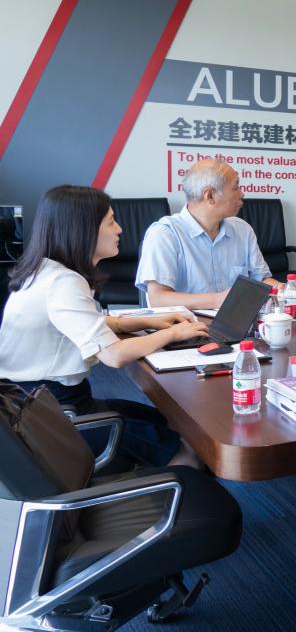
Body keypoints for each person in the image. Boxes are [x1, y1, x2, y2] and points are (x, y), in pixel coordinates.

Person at [0, 185, 208, 467]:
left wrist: (146, 320)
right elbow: (114, 355)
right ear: (83, 229)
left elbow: (79, 323)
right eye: (111, 222)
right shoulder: (63, 283)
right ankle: (176, 488)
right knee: (192, 448)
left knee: (170, 421)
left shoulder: (44, 271)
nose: (120, 229)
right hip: (54, 413)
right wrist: (173, 333)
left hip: (33, 402)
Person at [136, 159, 278, 308]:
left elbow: (261, 280)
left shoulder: (242, 229)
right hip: (187, 322)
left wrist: (284, 290)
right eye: (236, 187)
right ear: (210, 195)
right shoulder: (165, 234)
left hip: (238, 320)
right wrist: (218, 300)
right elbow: (158, 299)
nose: (242, 193)